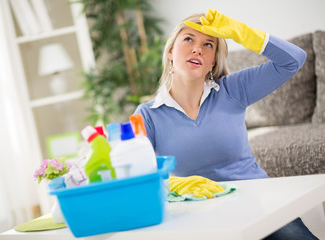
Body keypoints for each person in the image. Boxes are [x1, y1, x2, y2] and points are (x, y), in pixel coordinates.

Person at [134, 9, 318, 240]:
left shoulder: (232, 90)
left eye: (208, 44)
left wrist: (241, 32)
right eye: (188, 39)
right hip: (197, 214)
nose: (197, 48)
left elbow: (293, 60)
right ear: (171, 51)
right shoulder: (147, 115)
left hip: (257, 202)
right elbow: (137, 173)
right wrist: (173, 184)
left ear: (212, 61)